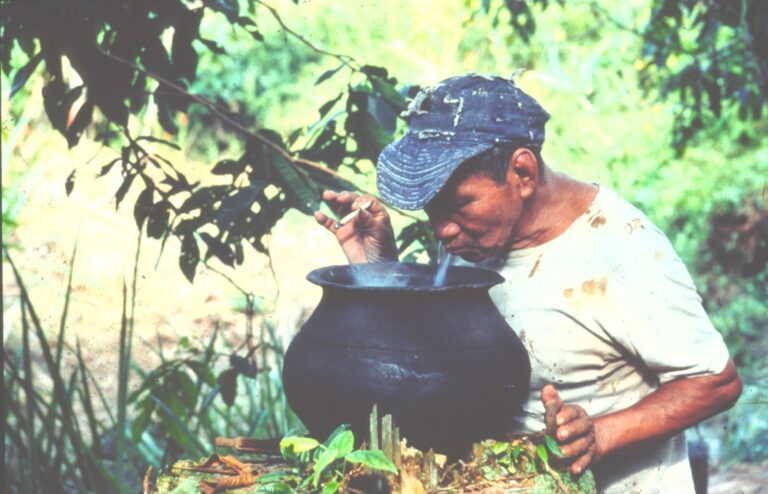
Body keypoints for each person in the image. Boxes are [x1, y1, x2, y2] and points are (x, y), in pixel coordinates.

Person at [313, 74, 742, 493]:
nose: (442, 230)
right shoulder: (478, 238)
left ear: (522, 173)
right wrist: (378, 270)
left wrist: (603, 434)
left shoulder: (621, 251)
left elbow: (716, 382)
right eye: (431, 209)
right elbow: (436, 357)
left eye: (459, 204)